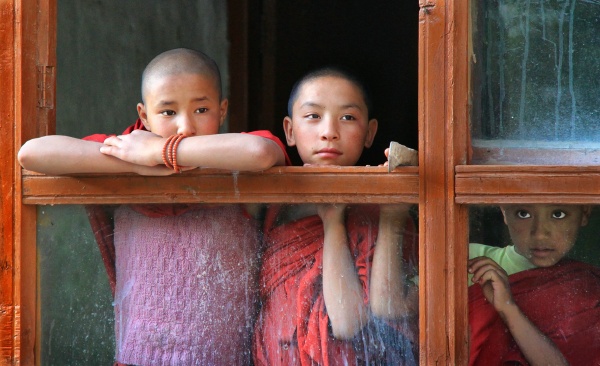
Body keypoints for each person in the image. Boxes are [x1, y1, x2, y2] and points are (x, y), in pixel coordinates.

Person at [18, 48, 290, 365]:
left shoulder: (231, 156)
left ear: (223, 109)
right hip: (137, 355)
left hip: (225, 357)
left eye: (201, 109)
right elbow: (32, 154)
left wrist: (162, 151)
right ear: (144, 116)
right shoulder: (129, 146)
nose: (185, 127)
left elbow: (258, 151)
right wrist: (137, 164)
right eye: (167, 112)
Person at [252, 67, 418, 365]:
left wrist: (333, 222)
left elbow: (347, 324)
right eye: (313, 116)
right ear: (289, 131)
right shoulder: (271, 204)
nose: (329, 131)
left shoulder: (376, 210)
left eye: (348, 117)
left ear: (370, 133)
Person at [468, 204, 600, 365]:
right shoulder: (465, 260)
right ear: (504, 211)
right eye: (523, 213)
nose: (540, 234)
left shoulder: (591, 286)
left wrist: (509, 308)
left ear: (584, 213)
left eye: (558, 214)